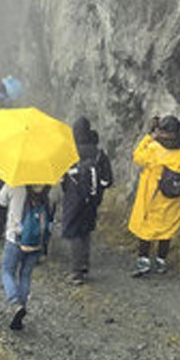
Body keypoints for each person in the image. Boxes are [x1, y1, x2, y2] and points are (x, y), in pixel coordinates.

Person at [127, 115, 180, 277]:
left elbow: (137, 156)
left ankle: (144, 261)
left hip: (153, 196)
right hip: (173, 195)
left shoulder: (154, 149)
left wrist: (149, 136)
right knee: (166, 229)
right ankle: (161, 261)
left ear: (166, 133)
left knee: (146, 228)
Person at [59, 117, 113, 285]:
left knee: (72, 232)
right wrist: (96, 193)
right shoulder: (99, 153)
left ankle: (76, 272)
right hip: (93, 200)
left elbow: (62, 178)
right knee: (85, 230)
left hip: (74, 199)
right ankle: (84, 265)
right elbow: (108, 179)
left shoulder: (70, 151)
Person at [0, 183, 54, 330]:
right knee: (25, 275)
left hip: (15, 238)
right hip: (35, 241)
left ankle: (15, 303)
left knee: (7, 271)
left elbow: (1, 200)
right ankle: (20, 310)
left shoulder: (15, 184)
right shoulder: (46, 186)